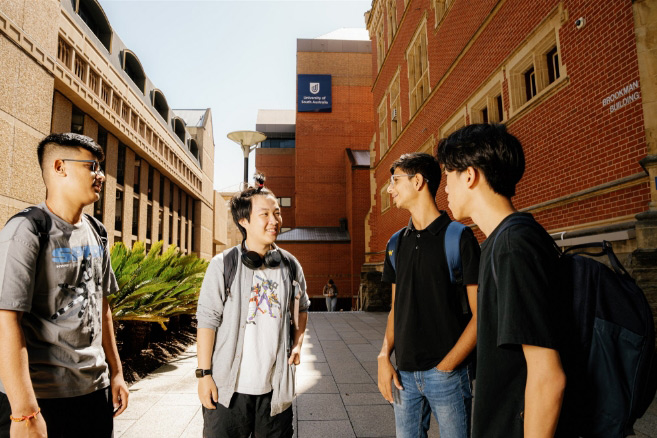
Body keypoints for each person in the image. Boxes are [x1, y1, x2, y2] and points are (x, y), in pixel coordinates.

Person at [436, 123, 567, 438]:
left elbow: (548, 376)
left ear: (469, 176)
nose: (445, 190)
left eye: (447, 178)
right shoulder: (504, 241)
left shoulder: (512, 246)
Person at [0, 133, 129, 438]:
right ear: (60, 167)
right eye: (92, 166)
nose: (101, 176)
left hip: (94, 392)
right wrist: (24, 412)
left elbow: (102, 307)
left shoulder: (97, 232)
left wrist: (117, 372)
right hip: (42, 397)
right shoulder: (26, 229)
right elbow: (6, 320)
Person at [196, 174, 310, 438]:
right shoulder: (223, 264)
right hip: (227, 392)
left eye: (277, 213)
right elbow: (207, 320)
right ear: (244, 220)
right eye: (265, 214)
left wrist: (298, 343)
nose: (274, 221)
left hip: (274, 393)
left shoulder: (290, 265)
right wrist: (204, 375)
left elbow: (302, 308)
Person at [377, 153, 480, 438]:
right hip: (403, 379)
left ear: (418, 181)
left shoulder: (459, 237)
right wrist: (385, 355)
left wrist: (447, 366)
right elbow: (396, 308)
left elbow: (481, 315)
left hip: (447, 375)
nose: (390, 189)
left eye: (395, 180)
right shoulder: (395, 243)